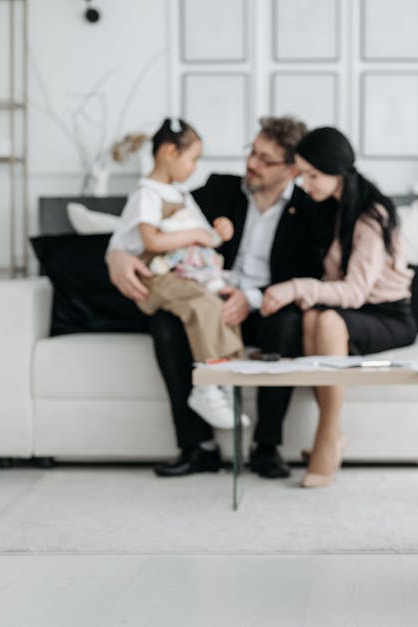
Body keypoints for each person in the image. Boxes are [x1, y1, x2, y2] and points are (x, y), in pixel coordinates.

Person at [107, 116, 335, 479]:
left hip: (265, 303)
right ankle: (198, 446)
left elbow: (307, 274)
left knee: (287, 326)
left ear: (292, 170)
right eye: (252, 152)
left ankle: (266, 446)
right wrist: (116, 254)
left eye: (265, 159)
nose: (252, 163)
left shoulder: (309, 211)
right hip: (209, 293)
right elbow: (156, 221)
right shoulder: (218, 189)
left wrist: (250, 298)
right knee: (166, 322)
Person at [261, 127, 417, 488]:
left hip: (389, 314)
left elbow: (356, 292)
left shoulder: (372, 215)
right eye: (301, 175)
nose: (305, 184)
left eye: (312, 175)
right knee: (311, 318)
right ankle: (333, 435)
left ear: (337, 171)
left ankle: (327, 434)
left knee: (328, 321)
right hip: (356, 312)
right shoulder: (331, 208)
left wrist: (294, 288)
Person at [107, 117, 247, 430]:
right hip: (155, 274)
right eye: (193, 159)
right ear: (170, 152)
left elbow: (206, 236)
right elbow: (152, 241)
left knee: (223, 308)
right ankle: (206, 387)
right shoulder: (147, 194)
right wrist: (196, 235)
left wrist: (220, 231)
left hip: (183, 273)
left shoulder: (180, 193)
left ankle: (226, 378)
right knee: (203, 305)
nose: (195, 168)